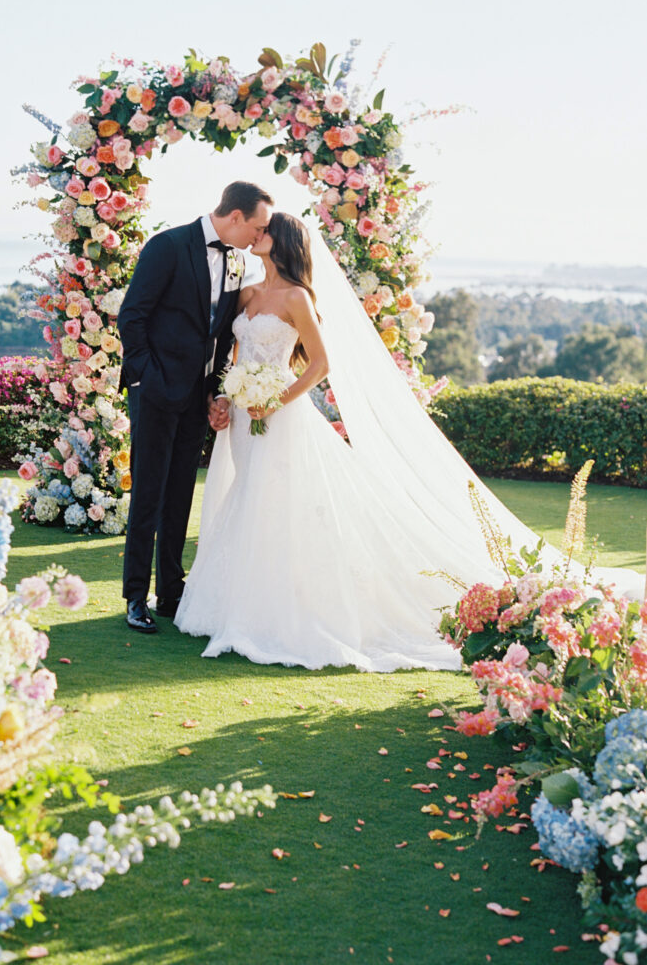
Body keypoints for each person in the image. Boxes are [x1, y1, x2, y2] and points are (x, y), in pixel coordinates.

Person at [174, 212, 643, 671]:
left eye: (265, 231)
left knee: (276, 502)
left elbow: (320, 364)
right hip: (241, 413)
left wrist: (277, 400)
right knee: (247, 497)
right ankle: (242, 599)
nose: (257, 235)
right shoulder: (248, 293)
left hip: (280, 414)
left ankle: (280, 610)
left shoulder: (297, 297)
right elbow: (233, 354)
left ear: (283, 242)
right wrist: (222, 397)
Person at [117, 181, 273, 633]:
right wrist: (145, 377)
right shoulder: (167, 245)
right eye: (258, 226)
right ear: (237, 216)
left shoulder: (238, 261)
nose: (259, 237)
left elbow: (221, 333)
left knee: (182, 490)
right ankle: (134, 596)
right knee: (148, 490)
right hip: (155, 390)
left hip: (196, 395)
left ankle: (170, 590)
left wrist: (215, 388)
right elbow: (133, 315)